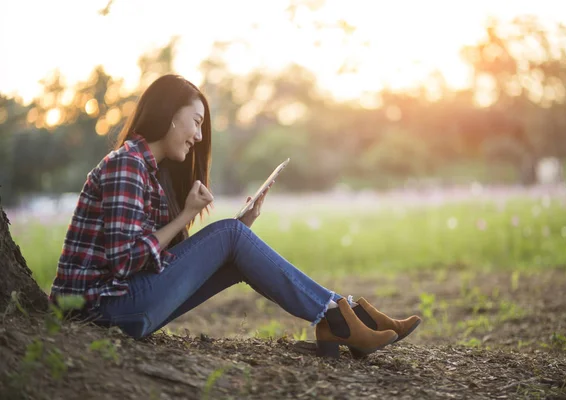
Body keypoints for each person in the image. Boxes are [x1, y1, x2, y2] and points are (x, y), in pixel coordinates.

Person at [48, 74, 421, 359]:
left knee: (233, 240)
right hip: (101, 310)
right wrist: (190, 217)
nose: (197, 134)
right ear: (169, 114)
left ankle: (345, 318)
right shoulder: (128, 164)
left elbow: (159, 261)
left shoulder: (149, 171)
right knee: (227, 235)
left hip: (120, 305)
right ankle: (341, 318)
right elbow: (126, 259)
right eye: (195, 121)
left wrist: (242, 232)